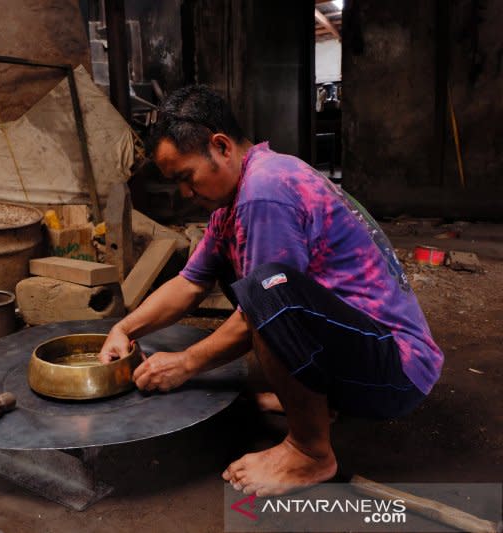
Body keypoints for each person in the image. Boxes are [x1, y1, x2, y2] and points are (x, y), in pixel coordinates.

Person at [98, 85, 443, 497]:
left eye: (186, 178)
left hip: (396, 371)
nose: (186, 194)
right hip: (362, 350)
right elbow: (190, 283)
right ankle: (316, 403)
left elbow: (262, 305)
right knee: (246, 274)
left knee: (265, 288)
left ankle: (310, 452)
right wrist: (125, 329)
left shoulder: (265, 189)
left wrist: (186, 364)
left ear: (221, 146)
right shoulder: (239, 193)